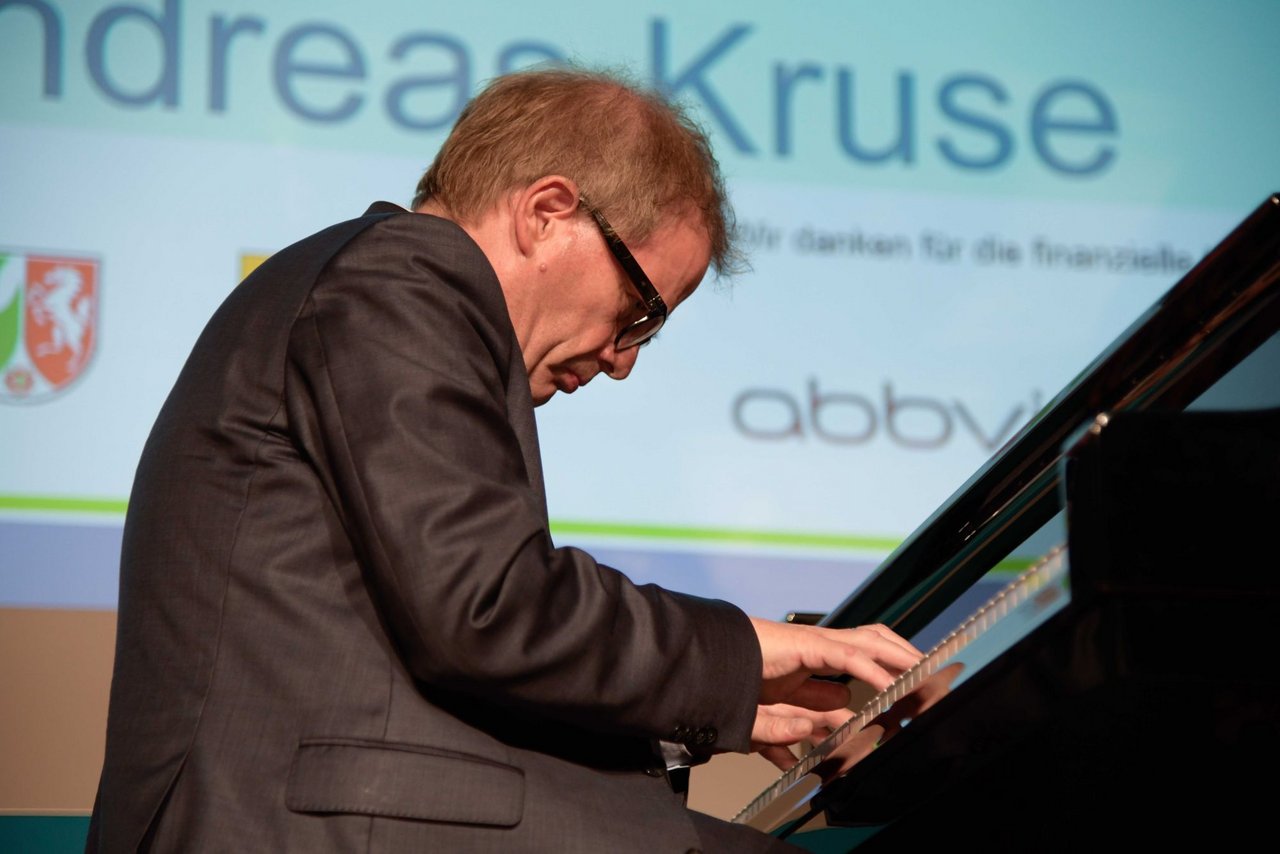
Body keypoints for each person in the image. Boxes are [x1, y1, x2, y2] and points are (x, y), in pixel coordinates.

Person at [87, 65, 922, 853]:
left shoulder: (381, 287)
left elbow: (417, 645)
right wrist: (740, 651)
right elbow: (486, 604)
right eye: (638, 311)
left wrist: (709, 705)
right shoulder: (401, 276)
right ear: (546, 212)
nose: (625, 358)